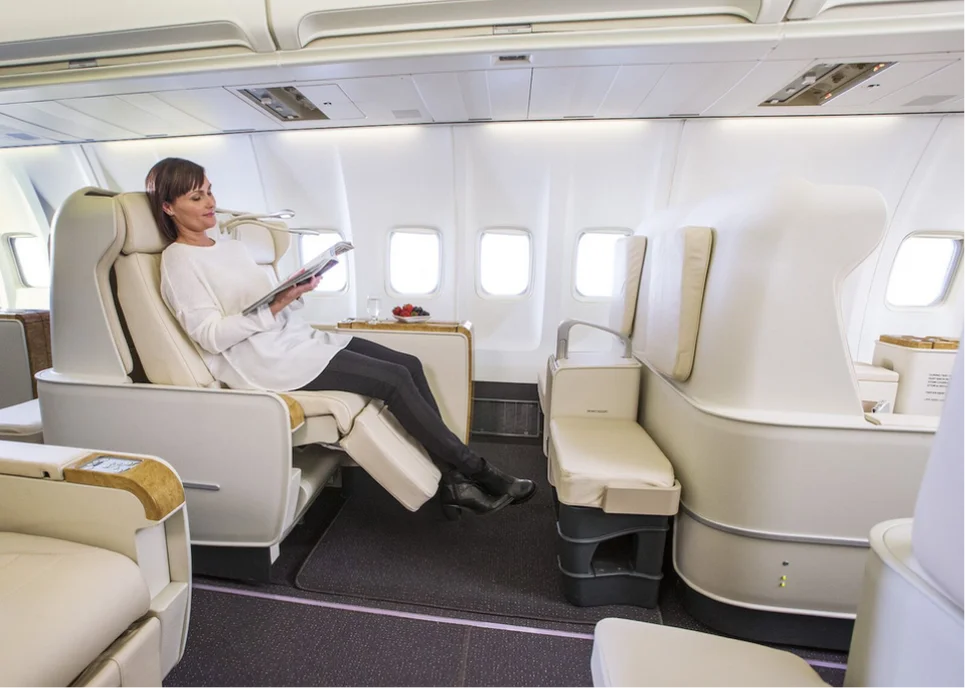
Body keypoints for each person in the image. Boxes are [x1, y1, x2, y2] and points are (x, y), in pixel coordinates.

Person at [148, 157, 535, 519]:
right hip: (265, 363)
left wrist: (294, 292)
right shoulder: (178, 261)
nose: (210, 203)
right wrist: (275, 305)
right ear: (168, 207)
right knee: (394, 381)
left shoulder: (231, 247)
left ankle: (453, 483)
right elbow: (210, 336)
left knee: (409, 364)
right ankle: (476, 471)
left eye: (210, 191)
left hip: (297, 341)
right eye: (196, 197)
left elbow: (267, 304)